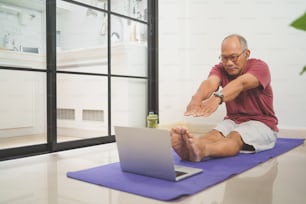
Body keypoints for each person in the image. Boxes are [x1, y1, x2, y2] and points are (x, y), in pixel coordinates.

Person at [170, 34, 278, 162]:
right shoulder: (220, 68)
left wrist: (217, 98)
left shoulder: (260, 67)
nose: (229, 63)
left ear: (247, 54)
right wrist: (196, 99)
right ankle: (191, 147)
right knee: (213, 135)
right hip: (233, 121)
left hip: (262, 123)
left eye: (233, 57)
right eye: (224, 58)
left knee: (235, 136)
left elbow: (241, 83)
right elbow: (210, 83)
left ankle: (202, 150)